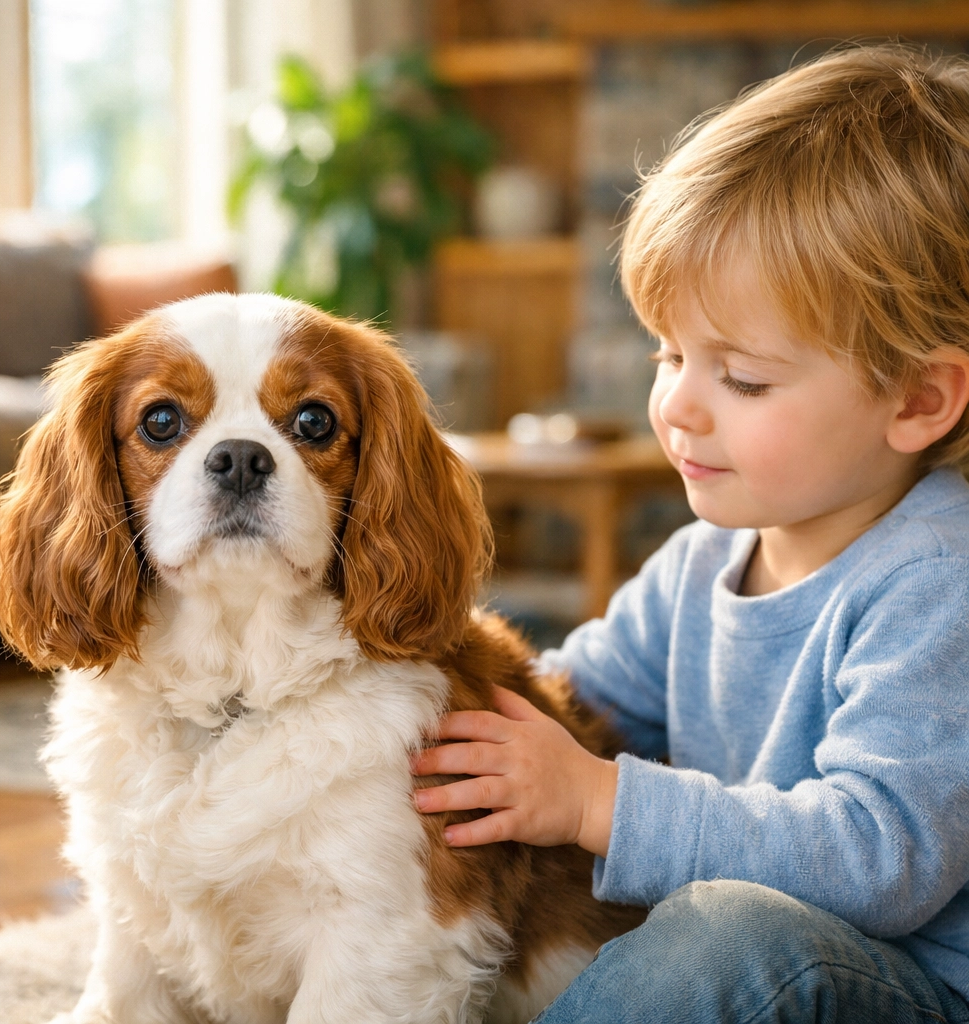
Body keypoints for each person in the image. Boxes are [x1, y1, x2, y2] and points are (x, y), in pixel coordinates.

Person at [411, 45, 969, 1023]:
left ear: (918, 397)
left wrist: (598, 803)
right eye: (668, 353)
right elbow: (555, 705)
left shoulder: (937, 577)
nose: (677, 407)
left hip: (899, 987)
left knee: (715, 937)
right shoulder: (701, 561)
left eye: (741, 377)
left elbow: (880, 857)